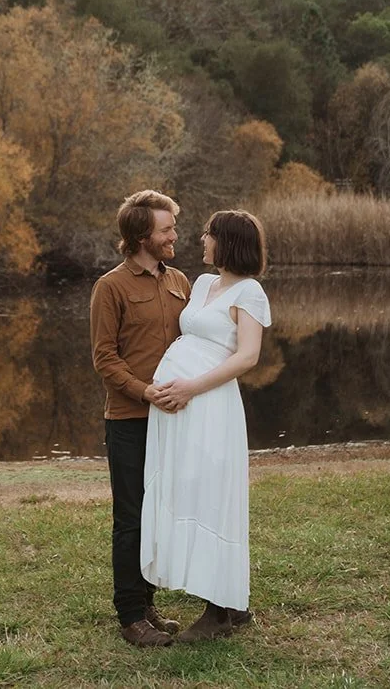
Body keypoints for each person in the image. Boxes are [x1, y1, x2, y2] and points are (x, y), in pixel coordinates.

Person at [140, 209, 271, 643]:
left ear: (227, 241)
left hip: (210, 405)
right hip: (181, 410)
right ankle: (229, 601)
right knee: (187, 488)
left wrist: (191, 387)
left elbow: (247, 357)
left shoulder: (250, 292)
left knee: (213, 494)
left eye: (209, 234)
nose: (201, 239)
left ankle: (220, 611)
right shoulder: (201, 284)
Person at [90, 189, 192, 647]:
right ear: (140, 236)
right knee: (130, 517)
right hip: (130, 419)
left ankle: (147, 602)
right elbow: (104, 359)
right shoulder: (110, 287)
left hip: (174, 420)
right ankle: (131, 615)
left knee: (159, 514)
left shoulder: (181, 282)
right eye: (166, 228)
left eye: (172, 226)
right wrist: (144, 391)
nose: (174, 235)